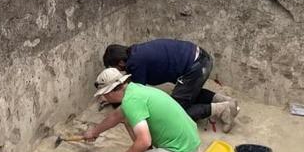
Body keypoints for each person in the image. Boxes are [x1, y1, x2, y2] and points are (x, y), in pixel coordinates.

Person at [86, 68, 201, 152]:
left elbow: (144, 141)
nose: (104, 99)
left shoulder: (131, 102)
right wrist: (94, 132)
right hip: (190, 143)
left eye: (103, 95)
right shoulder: (134, 90)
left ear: (109, 92)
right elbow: (116, 116)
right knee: (127, 119)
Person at [102, 39, 238, 131]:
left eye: (116, 68)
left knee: (174, 112)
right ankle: (226, 101)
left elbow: (136, 95)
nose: (119, 72)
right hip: (201, 59)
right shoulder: (136, 52)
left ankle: (223, 109)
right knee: (189, 91)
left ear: (121, 62)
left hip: (195, 67)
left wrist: (117, 103)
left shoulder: (135, 63)